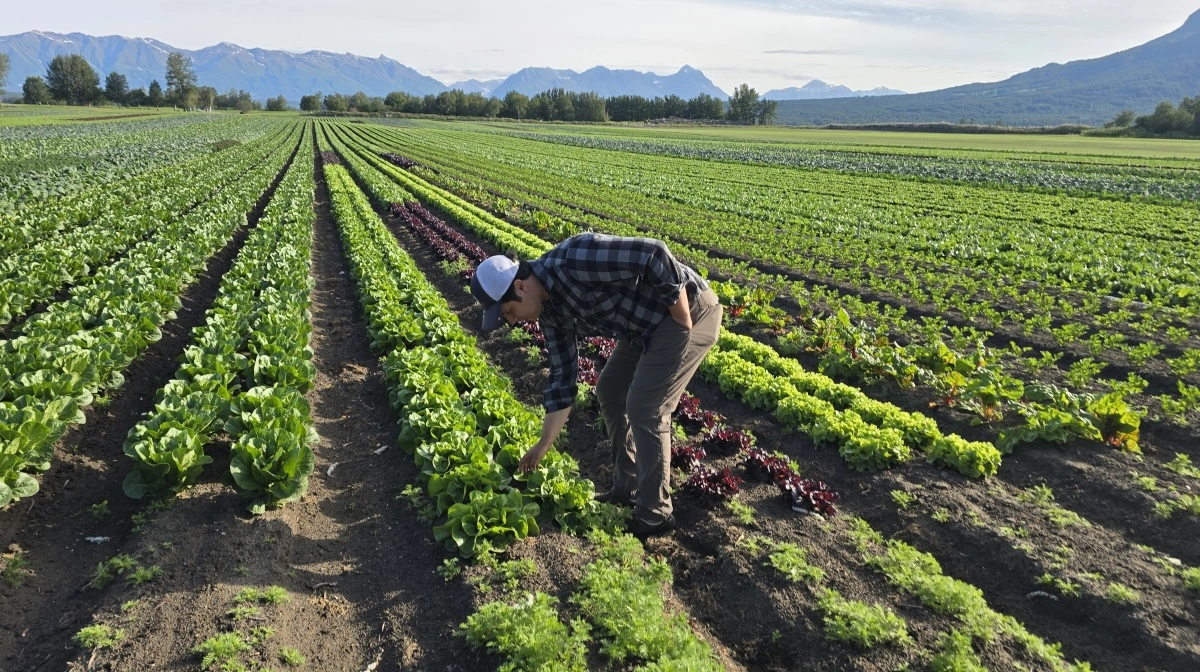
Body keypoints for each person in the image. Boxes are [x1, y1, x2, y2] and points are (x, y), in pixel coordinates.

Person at [470, 232, 723, 537]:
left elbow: (654, 254)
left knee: (646, 406)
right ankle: (627, 488)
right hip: (642, 327)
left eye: (508, 312)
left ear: (520, 287)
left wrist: (681, 313)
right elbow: (563, 377)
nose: (511, 321)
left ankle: (655, 514)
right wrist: (543, 444)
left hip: (688, 311)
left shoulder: (575, 258)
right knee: (610, 391)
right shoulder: (550, 316)